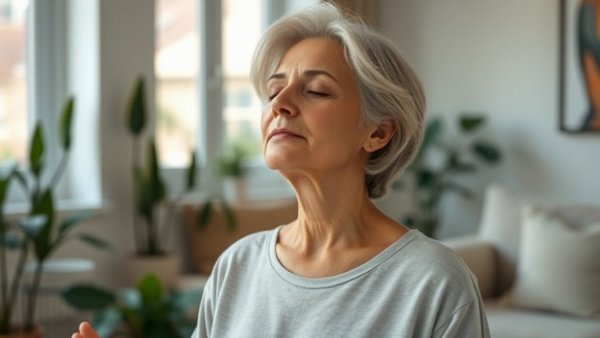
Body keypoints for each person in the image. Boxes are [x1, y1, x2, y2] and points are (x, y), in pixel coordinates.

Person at [73, 3, 489, 338]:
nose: (279, 104)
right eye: (274, 90)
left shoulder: (433, 283)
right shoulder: (237, 266)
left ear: (377, 132)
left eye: (316, 90)